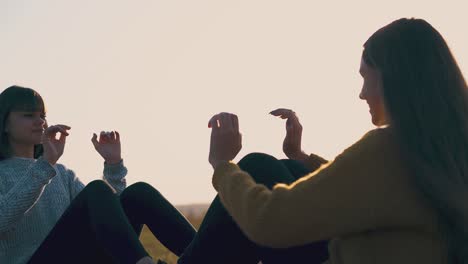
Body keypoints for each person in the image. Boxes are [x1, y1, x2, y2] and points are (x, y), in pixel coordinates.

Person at [207, 18, 468, 264]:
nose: (361, 94)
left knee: (257, 166)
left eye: (366, 77)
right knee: (293, 169)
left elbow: (269, 223)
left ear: (393, 78)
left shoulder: (389, 148)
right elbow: (379, 188)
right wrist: (301, 156)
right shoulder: (446, 145)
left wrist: (222, 163)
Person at [0, 85, 193, 264]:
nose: (40, 121)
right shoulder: (14, 172)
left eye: (42, 115)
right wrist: (45, 165)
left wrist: (113, 165)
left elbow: (106, 216)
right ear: (4, 124)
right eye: (28, 115)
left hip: (77, 258)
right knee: (96, 189)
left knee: (138, 193)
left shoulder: (62, 174)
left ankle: (204, 256)